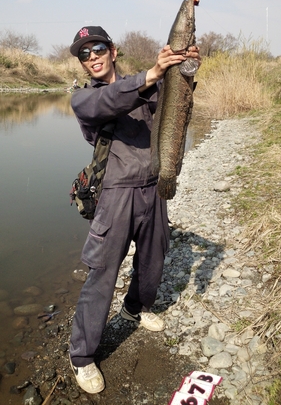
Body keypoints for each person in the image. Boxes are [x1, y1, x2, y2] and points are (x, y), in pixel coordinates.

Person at [68, 25, 201, 394]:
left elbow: (177, 99)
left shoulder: (144, 84)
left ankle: (135, 308)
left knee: (154, 256)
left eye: (96, 48)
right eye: (83, 53)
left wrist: (186, 68)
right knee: (102, 272)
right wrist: (152, 74)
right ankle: (82, 355)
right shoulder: (84, 99)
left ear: (112, 50)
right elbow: (111, 100)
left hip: (154, 186)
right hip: (115, 194)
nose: (91, 57)